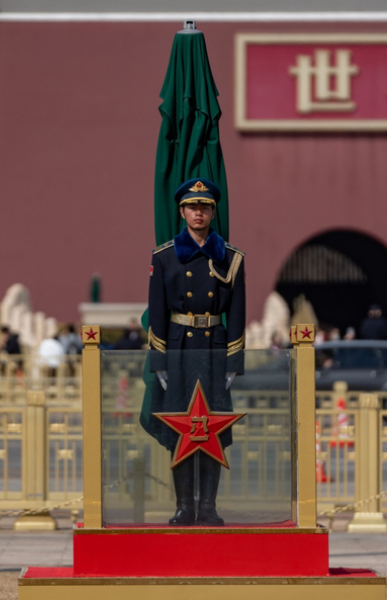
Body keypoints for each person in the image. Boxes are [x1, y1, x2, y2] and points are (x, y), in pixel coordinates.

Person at [141, 178, 246, 527]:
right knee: (181, 428)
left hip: (214, 347)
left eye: (204, 207)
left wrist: (234, 360)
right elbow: (157, 313)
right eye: (191, 206)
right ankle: (184, 506)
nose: (197, 212)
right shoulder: (165, 256)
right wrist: (159, 360)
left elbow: (239, 312)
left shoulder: (230, 259)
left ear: (212, 211)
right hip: (179, 349)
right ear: (182, 211)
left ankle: (209, 507)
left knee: (211, 427)